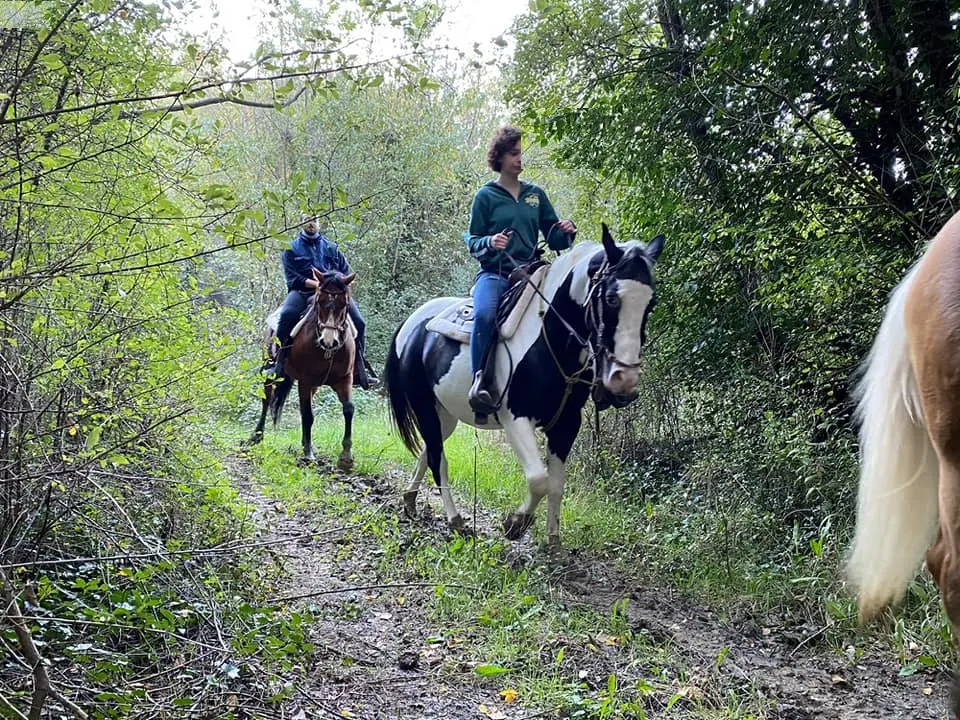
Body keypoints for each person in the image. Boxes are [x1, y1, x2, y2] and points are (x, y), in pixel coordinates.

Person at [462, 126, 577, 419]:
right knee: (485, 314)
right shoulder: (485, 197)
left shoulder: (535, 194)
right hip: (496, 273)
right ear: (499, 157)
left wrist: (566, 231)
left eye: (520, 153)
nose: (519, 159)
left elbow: (553, 238)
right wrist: (490, 241)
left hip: (533, 270)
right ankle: (480, 383)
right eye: (514, 154)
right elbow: (472, 240)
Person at [270, 215, 379, 390]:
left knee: (360, 322)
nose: (311, 223)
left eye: (314, 220)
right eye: (307, 220)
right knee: (287, 315)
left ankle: (359, 369)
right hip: (302, 292)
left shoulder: (332, 247)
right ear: (301, 222)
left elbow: (345, 272)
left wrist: (335, 286)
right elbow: (292, 279)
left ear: (319, 223)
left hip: (333, 294)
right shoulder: (291, 248)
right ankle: (278, 364)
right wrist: (317, 285)